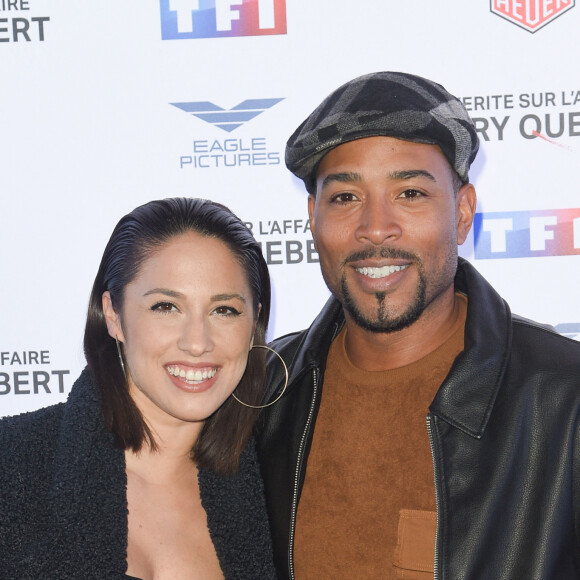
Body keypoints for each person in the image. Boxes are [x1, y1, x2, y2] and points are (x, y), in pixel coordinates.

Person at [255, 71, 580, 579]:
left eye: (409, 193)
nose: (376, 228)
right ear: (313, 217)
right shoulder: (261, 397)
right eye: (345, 197)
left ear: (463, 212)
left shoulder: (564, 397)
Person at [0, 197, 277, 579]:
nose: (197, 343)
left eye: (224, 310)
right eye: (166, 307)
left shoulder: (276, 489)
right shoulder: (13, 463)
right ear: (113, 315)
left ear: (254, 322)